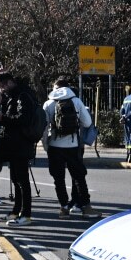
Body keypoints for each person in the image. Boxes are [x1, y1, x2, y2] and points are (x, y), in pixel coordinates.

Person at [44, 77, 98, 219]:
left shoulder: (49, 103)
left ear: (55, 88)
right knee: (79, 177)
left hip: (55, 146)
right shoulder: (76, 101)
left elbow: (44, 127)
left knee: (58, 178)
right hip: (73, 146)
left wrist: (46, 145)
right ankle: (86, 207)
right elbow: (87, 123)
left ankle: (64, 208)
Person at [0, 72, 39, 225]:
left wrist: (4, 118)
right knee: (16, 179)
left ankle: (26, 214)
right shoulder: (13, 95)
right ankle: (16, 211)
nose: (1, 90)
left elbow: (23, 119)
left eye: (2, 87)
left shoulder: (22, 95)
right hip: (13, 144)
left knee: (22, 181)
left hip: (21, 144)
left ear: (8, 83)